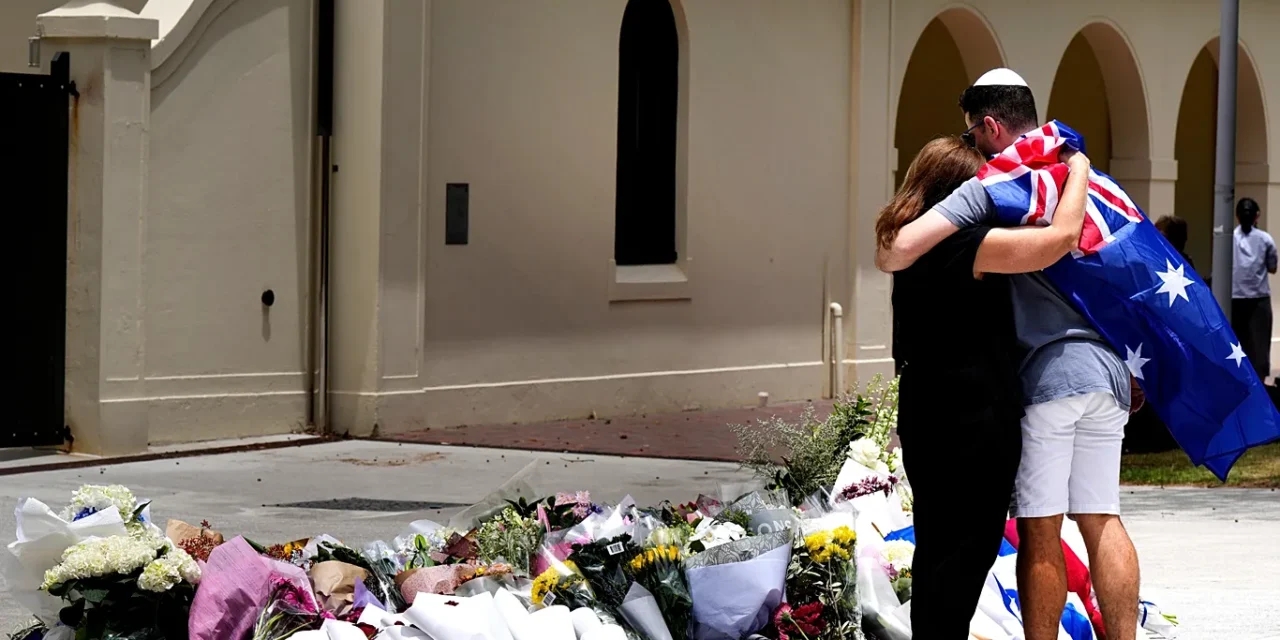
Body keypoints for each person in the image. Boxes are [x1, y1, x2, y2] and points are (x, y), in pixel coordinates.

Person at [877, 68, 1140, 640]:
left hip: (945, 411)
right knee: (1092, 520)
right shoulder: (972, 244)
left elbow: (892, 253)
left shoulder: (923, 249)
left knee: (959, 546)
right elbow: (1059, 240)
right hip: (999, 412)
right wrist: (1078, 167)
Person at [1231, 197, 1277, 384]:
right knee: (1259, 347)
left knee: (1237, 345)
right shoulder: (1265, 239)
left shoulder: (1228, 237)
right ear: (1257, 215)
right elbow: (1272, 267)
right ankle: (1260, 386)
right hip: (1258, 299)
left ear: (1237, 216)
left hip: (1234, 298)